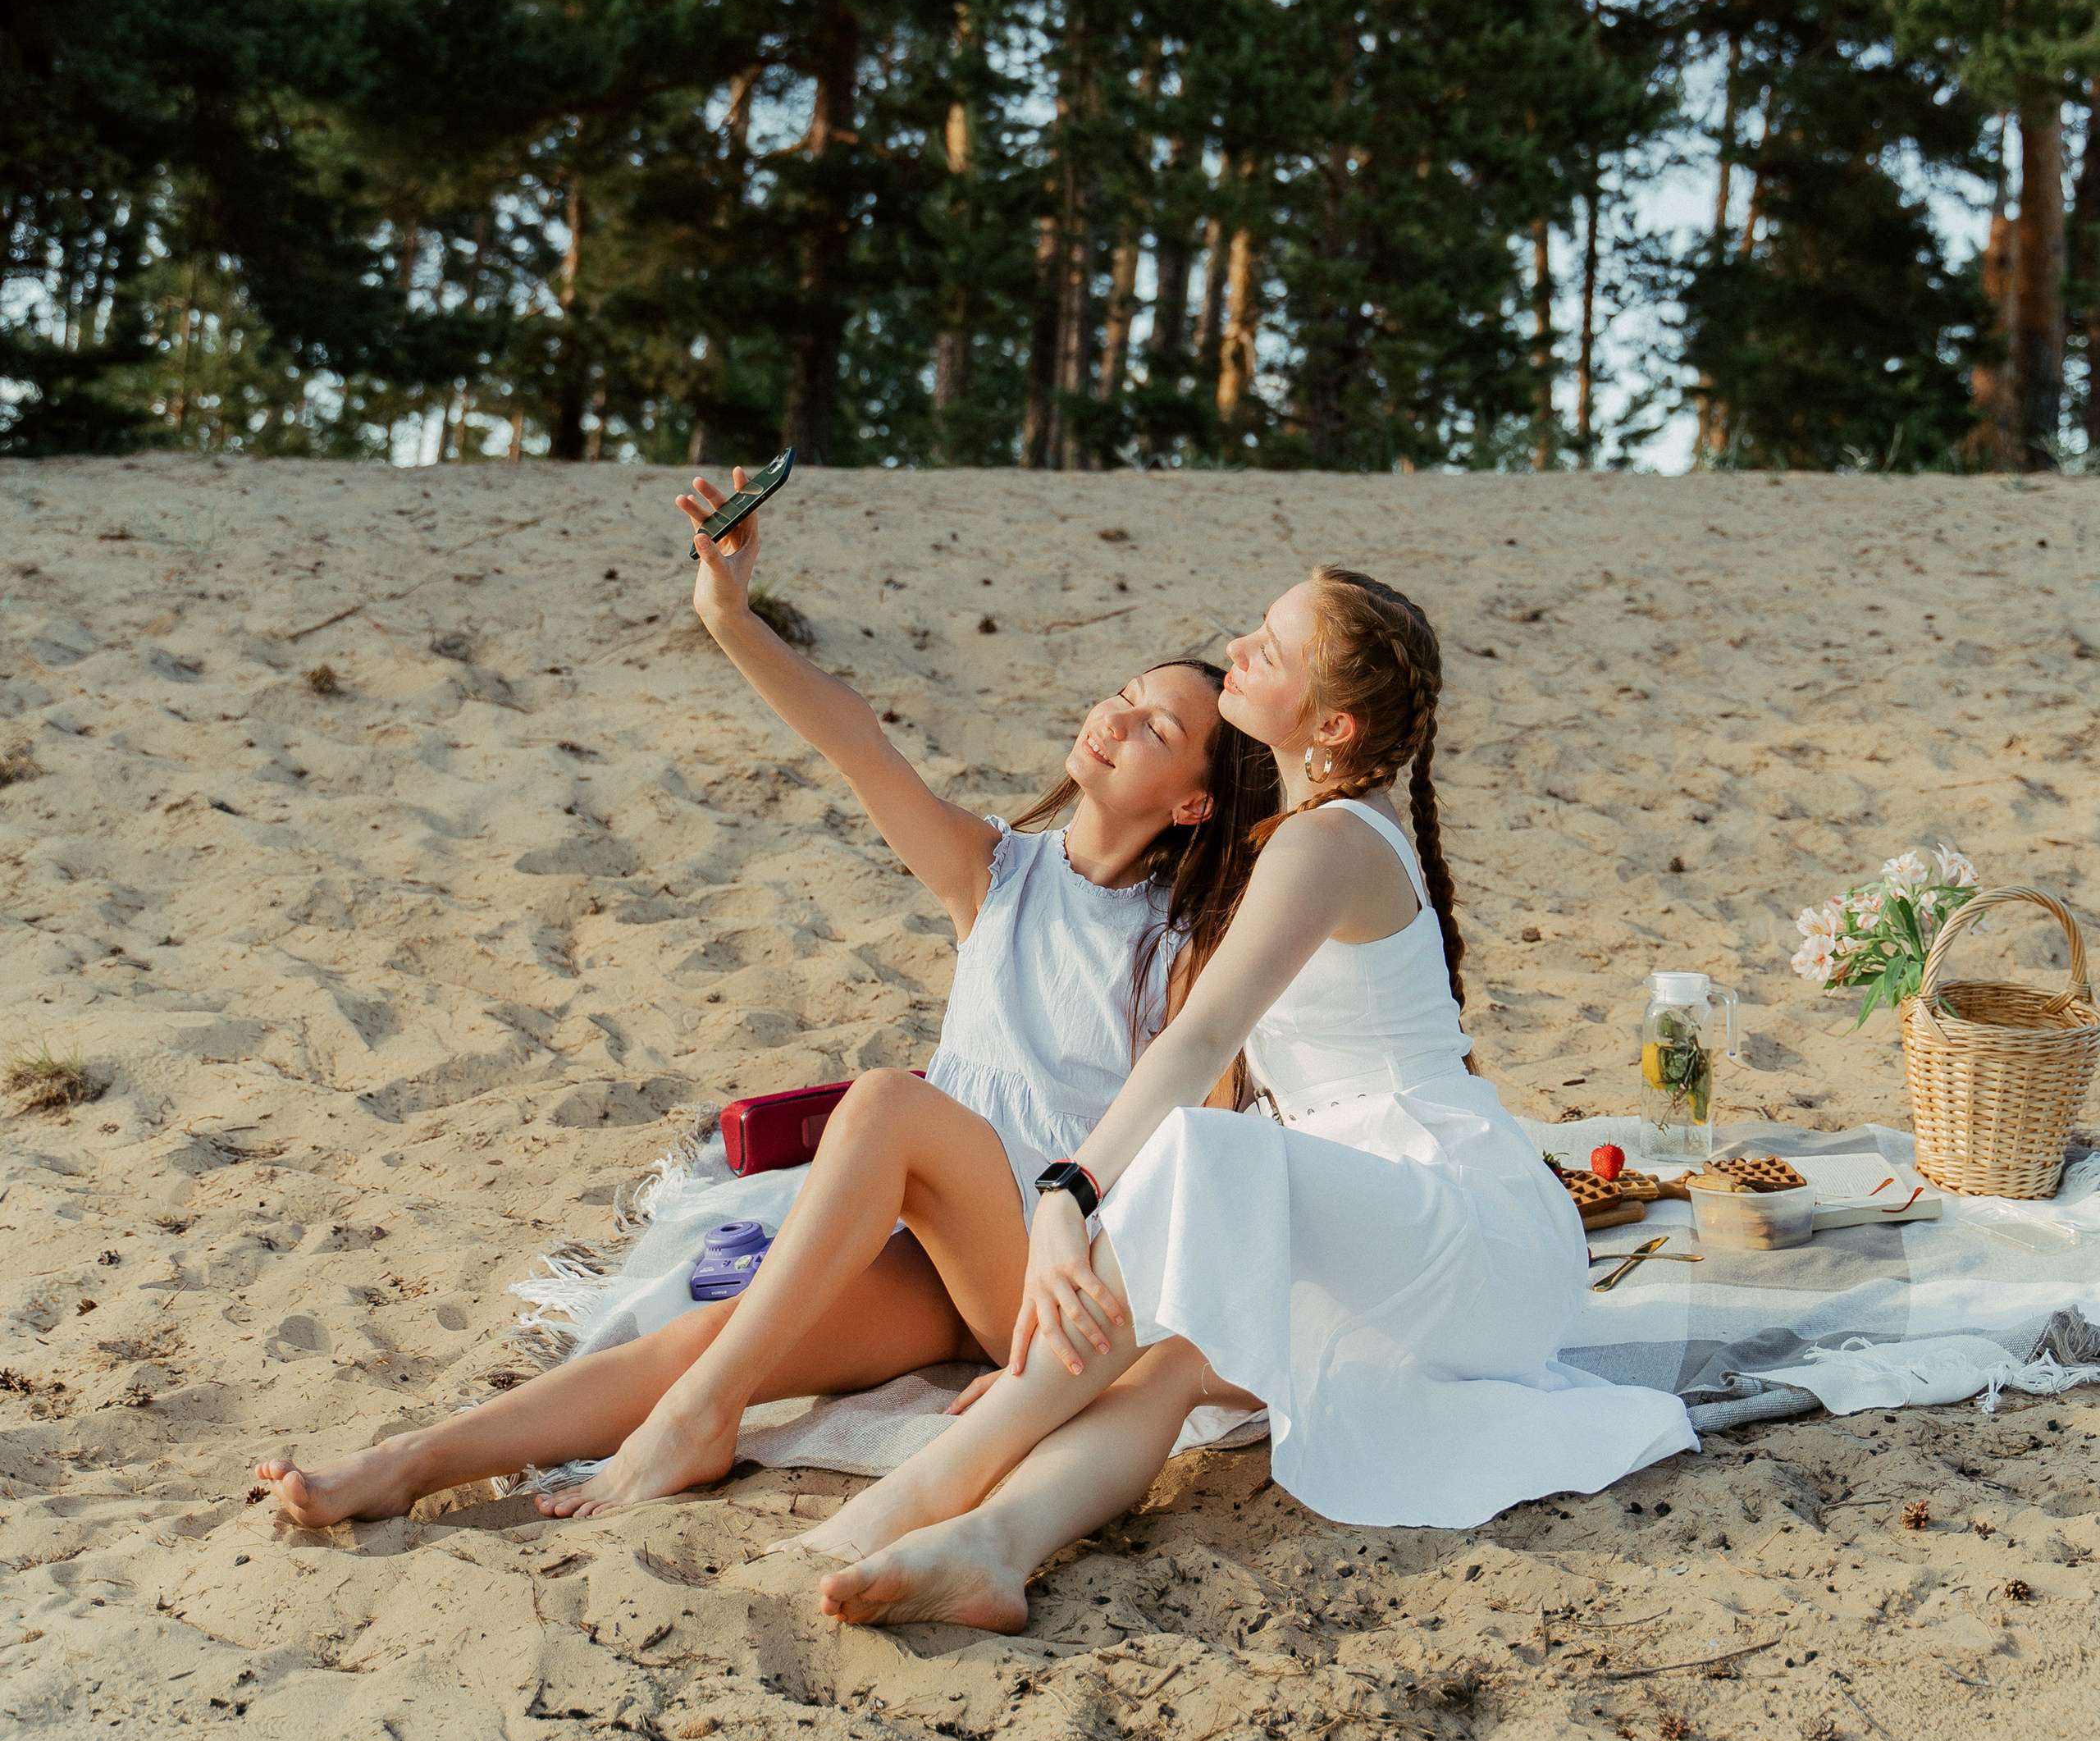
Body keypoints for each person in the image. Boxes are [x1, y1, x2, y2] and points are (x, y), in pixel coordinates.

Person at [254, 471, 1276, 1529]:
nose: (1116, 719)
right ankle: (407, 1465)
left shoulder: (1193, 946)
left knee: (885, 1102)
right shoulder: (995, 873)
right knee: (714, 1334)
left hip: (1052, 1273)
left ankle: (700, 1420)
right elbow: (856, 740)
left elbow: (1202, 1162)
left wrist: (1076, 1365)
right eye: (1127, 694)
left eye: (1157, 729)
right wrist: (728, 614)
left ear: (1195, 801)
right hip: (949, 1263)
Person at [789, 568, 1696, 1631]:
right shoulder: (1304, 831)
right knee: (1171, 1362)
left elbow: (1203, 1039)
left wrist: (1067, 1193)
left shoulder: (1329, 841)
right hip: (1386, 1223)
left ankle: (935, 1483)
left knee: (1199, 1162)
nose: (1239, 647)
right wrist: (1081, 1345)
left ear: (1334, 723)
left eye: (1273, 648)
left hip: (1465, 1235)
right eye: (1255, 627)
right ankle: (994, 1544)